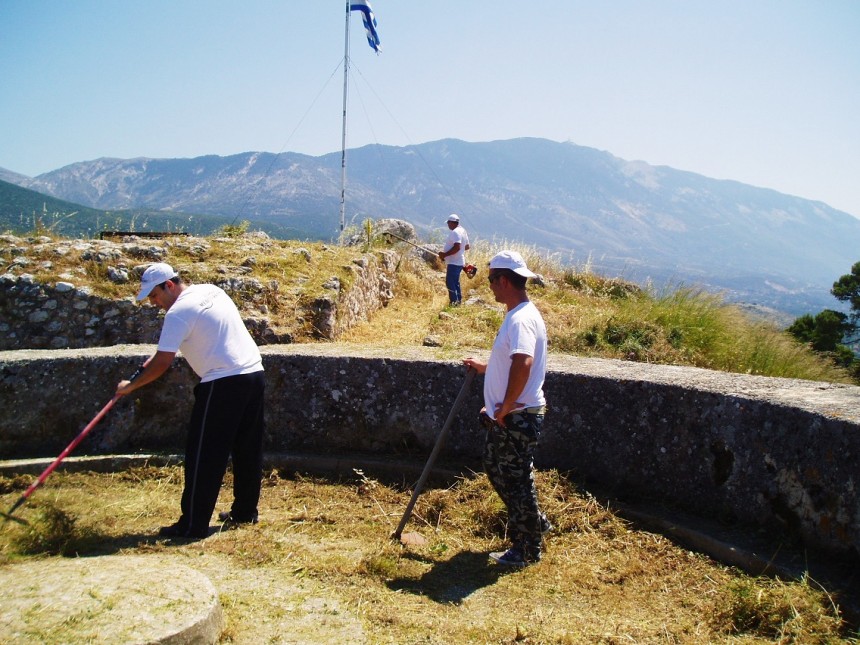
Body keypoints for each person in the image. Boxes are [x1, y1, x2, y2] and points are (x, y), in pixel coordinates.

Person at [116, 262, 266, 539]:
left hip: (223, 382)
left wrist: (131, 385)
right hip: (253, 373)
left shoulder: (178, 313)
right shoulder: (211, 291)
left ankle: (193, 524)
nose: (154, 302)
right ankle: (245, 512)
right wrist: (159, 357)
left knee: (204, 454)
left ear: (169, 285)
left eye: (155, 295)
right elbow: (198, 338)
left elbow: (162, 363)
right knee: (247, 448)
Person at [463, 250, 550, 566]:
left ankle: (527, 549)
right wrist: (485, 367)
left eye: (490, 280)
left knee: (516, 481)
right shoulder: (519, 314)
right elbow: (510, 362)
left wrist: (505, 408)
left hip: (517, 416)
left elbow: (524, 362)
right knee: (495, 465)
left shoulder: (521, 318)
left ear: (503, 280)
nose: (489, 286)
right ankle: (534, 524)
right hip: (513, 414)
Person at [438, 213, 471, 305]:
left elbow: (457, 247)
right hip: (459, 262)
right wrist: (459, 253)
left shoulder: (455, 232)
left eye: (448, 223)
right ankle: (458, 301)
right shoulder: (463, 231)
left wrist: (445, 254)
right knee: (455, 282)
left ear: (452, 222)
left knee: (450, 282)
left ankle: (453, 302)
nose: (448, 225)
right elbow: (467, 246)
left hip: (454, 262)